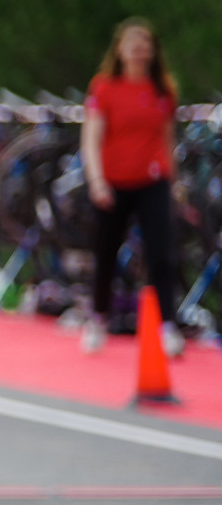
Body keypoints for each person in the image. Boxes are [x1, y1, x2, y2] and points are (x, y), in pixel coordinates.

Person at [81, 18, 182, 357]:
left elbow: (168, 139)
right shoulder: (105, 88)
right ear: (120, 50)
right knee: (107, 252)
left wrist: (175, 184)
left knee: (161, 253)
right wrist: (96, 180)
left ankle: (167, 324)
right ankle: (98, 317)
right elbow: (92, 138)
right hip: (114, 180)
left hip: (152, 179)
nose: (139, 52)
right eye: (132, 45)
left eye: (145, 46)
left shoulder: (162, 90)